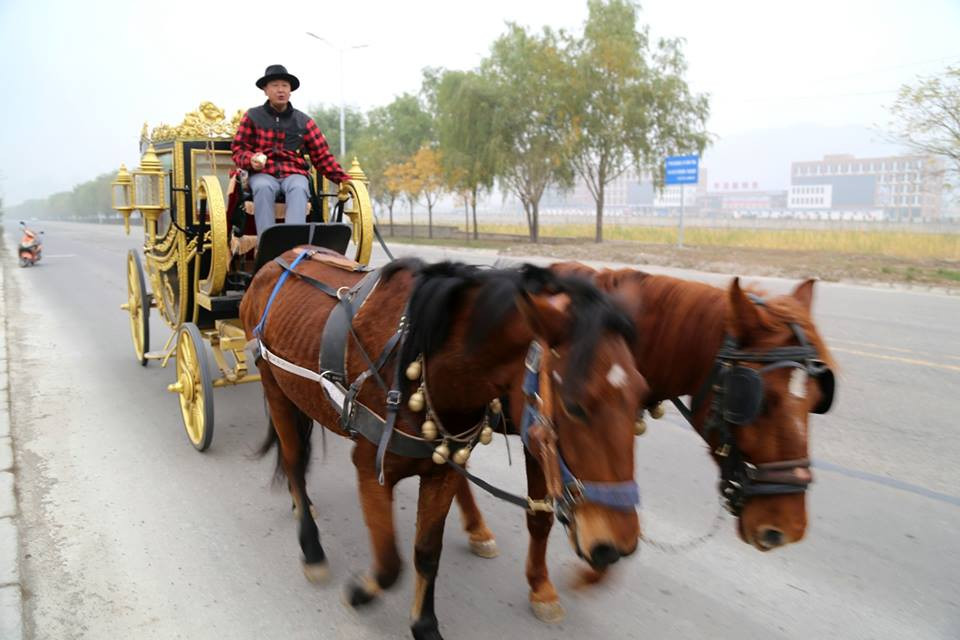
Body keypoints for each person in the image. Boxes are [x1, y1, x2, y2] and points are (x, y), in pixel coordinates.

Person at [232, 64, 351, 234]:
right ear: (265, 90)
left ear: (290, 90)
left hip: (294, 174)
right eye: (275, 85)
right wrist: (251, 159)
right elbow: (239, 150)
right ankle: (267, 242)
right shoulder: (252, 116)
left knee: (299, 187)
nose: (280, 90)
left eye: (284, 86)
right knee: (263, 187)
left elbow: (322, 157)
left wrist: (345, 180)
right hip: (262, 173)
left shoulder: (304, 121)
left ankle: (293, 242)